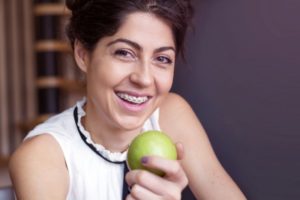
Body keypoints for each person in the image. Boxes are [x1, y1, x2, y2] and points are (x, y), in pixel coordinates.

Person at [9, 0, 246, 199]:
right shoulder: (42, 157)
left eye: (162, 59)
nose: (144, 79)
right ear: (82, 54)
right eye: (124, 53)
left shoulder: (171, 116)